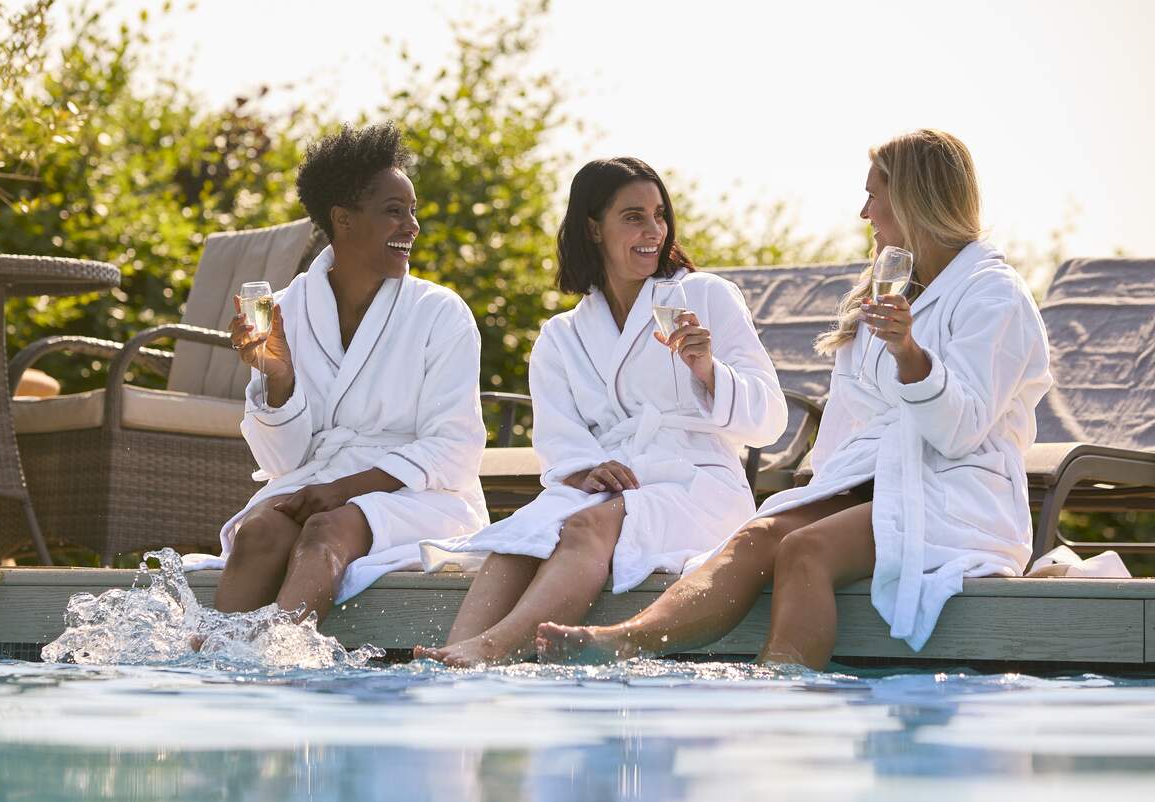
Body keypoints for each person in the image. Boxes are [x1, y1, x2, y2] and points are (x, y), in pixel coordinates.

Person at [536, 129, 1053, 670]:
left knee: (805, 549)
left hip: (957, 493)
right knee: (758, 536)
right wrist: (819, 486)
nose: (864, 212)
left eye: (873, 196)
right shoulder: (888, 289)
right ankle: (626, 639)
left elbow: (961, 431)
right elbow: (849, 418)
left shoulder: (995, 294)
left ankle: (782, 687)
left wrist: (908, 353)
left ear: (913, 200)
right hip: (875, 482)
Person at [414, 157, 787, 666]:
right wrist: (587, 469)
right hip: (612, 487)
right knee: (522, 535)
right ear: (593, 228)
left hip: (699, 487)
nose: (653, 230)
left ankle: (492, 649)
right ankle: (450, 656)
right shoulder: (562, 336)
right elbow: (558, 440)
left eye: (659, 215)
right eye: (634, 217)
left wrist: (708, 370)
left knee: (585, 526)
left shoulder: (705, 296)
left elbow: (771, 422)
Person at [186, 122, 489, 631]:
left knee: (326, 531)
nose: (412, 226)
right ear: (343, 219)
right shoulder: (287, 311)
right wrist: (279, 377)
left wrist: (346, 489)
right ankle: (213, 665)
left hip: (422, 497)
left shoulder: (441, 313)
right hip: (318, 482)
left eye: (412, 211)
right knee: (259, 533)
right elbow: (281, 463)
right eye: (394, 211)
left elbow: (455, 448)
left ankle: (284, 661)